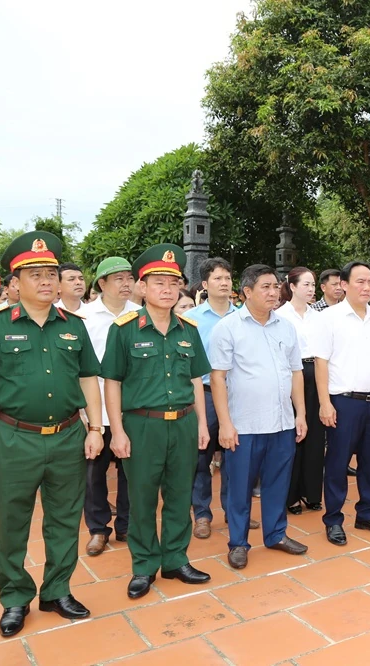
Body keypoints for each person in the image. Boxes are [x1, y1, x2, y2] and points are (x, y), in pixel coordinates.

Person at [0, 231, 103, 637]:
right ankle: (14, 598)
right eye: (35, 274)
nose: (46, 281)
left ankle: (57, 590)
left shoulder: (73, 327)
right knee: (12, 522)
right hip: (14, 438)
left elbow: (89, 378)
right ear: (16, 281)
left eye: (51, 273)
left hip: (66, 436)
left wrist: (95, 428)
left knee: (63, 519)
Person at [101, 244, 212, 600]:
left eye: (173, 282)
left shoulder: (188, 329)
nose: (167, 289)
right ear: (142, 287)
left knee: (180, 495)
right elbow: (112, 381)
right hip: (141, 425)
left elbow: (196, 379)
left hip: (182, 422)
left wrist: (201, 424)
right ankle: (145, 565)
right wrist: (116, 430)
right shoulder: (125, 329)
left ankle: (176, 559)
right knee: (142, 498)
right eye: (158, 282)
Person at [209, 265, 309, 569]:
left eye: (275, 286)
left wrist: (301, 413)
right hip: (245, 425)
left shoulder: (286, 326)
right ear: (247, 292)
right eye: (264, 287)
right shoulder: (228, 328)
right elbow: (217, 378)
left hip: (281, 422)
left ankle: (276, 534)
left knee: (278, 483)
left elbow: (296, 372)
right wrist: (225, 423)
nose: (272, 292)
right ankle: (238, 542)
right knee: (240, 486)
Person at [312, 261, 370, 545]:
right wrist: (325, 403)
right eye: (360, 281)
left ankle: (367, 513)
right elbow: (321, 363)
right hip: (344, 402)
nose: (366, 287)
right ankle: (334, 519)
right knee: (337, 463)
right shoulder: (330, 318)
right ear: (344, 285)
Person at [79, 257, 140, 557]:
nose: (126, 283)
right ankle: (98, 529)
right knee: (94, 472)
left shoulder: (142, 315)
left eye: (129, 277)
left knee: (132, 470)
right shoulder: (84, 317)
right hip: (96, 410)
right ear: (101, 284)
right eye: (118, 278)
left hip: (134, 407)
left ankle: (127, 525)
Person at [188, 258, 251, 538]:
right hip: (206, 395)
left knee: (235, 456)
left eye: (228, 278)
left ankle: (233, 510)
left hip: (238, 395)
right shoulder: (192, 320)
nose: (225, 283)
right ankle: (201, 513)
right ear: (205, 284)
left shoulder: (243, 316)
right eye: (218, 278)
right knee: (200, 456)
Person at [277, 267, 325, 513]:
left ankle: (312, 492)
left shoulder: (319, 317)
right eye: (306, 284)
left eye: (313, 285)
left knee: (316, 435)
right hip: (291, 376)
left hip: (316, 372)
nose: (311, 289)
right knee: (294, 434)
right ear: (292, 286)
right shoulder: (280, 316)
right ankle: (291, 495)